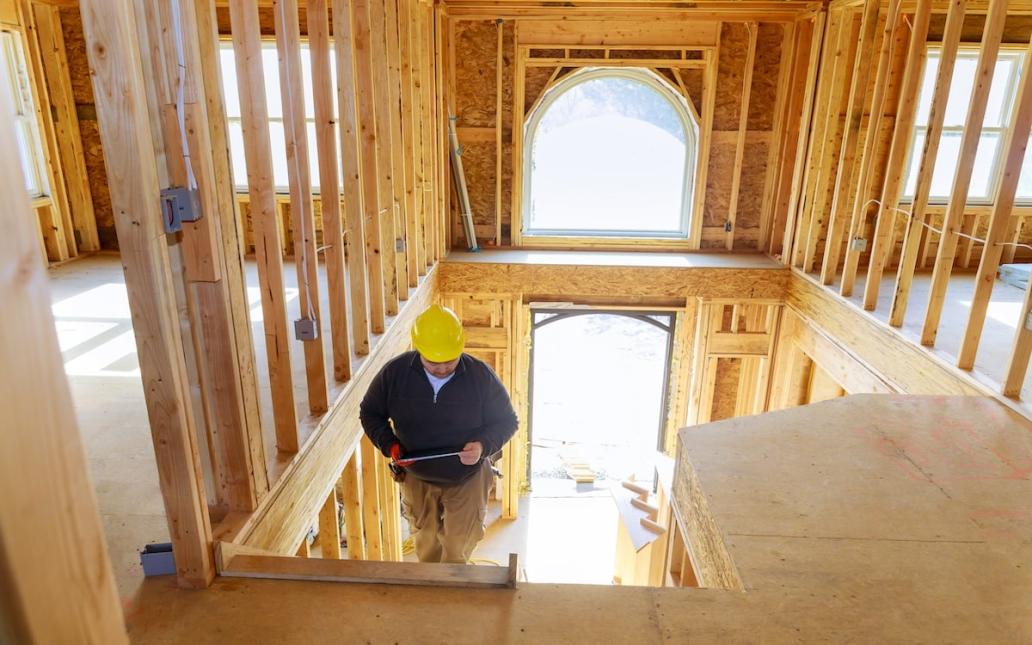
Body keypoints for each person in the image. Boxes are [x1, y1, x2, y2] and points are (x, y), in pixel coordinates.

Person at [359, 304, 518, 563]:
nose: (442, 368)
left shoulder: (480, 376)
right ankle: (432, 594)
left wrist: (482, 446)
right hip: (416, 476)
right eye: (434, 362)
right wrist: (389, 445)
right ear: (419, 350)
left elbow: (507, 421)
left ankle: (453, 593)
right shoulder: (395, 374)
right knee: (426, 544)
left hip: (468, 476)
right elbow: (370, 413)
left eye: (450, 361)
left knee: (459, 545)